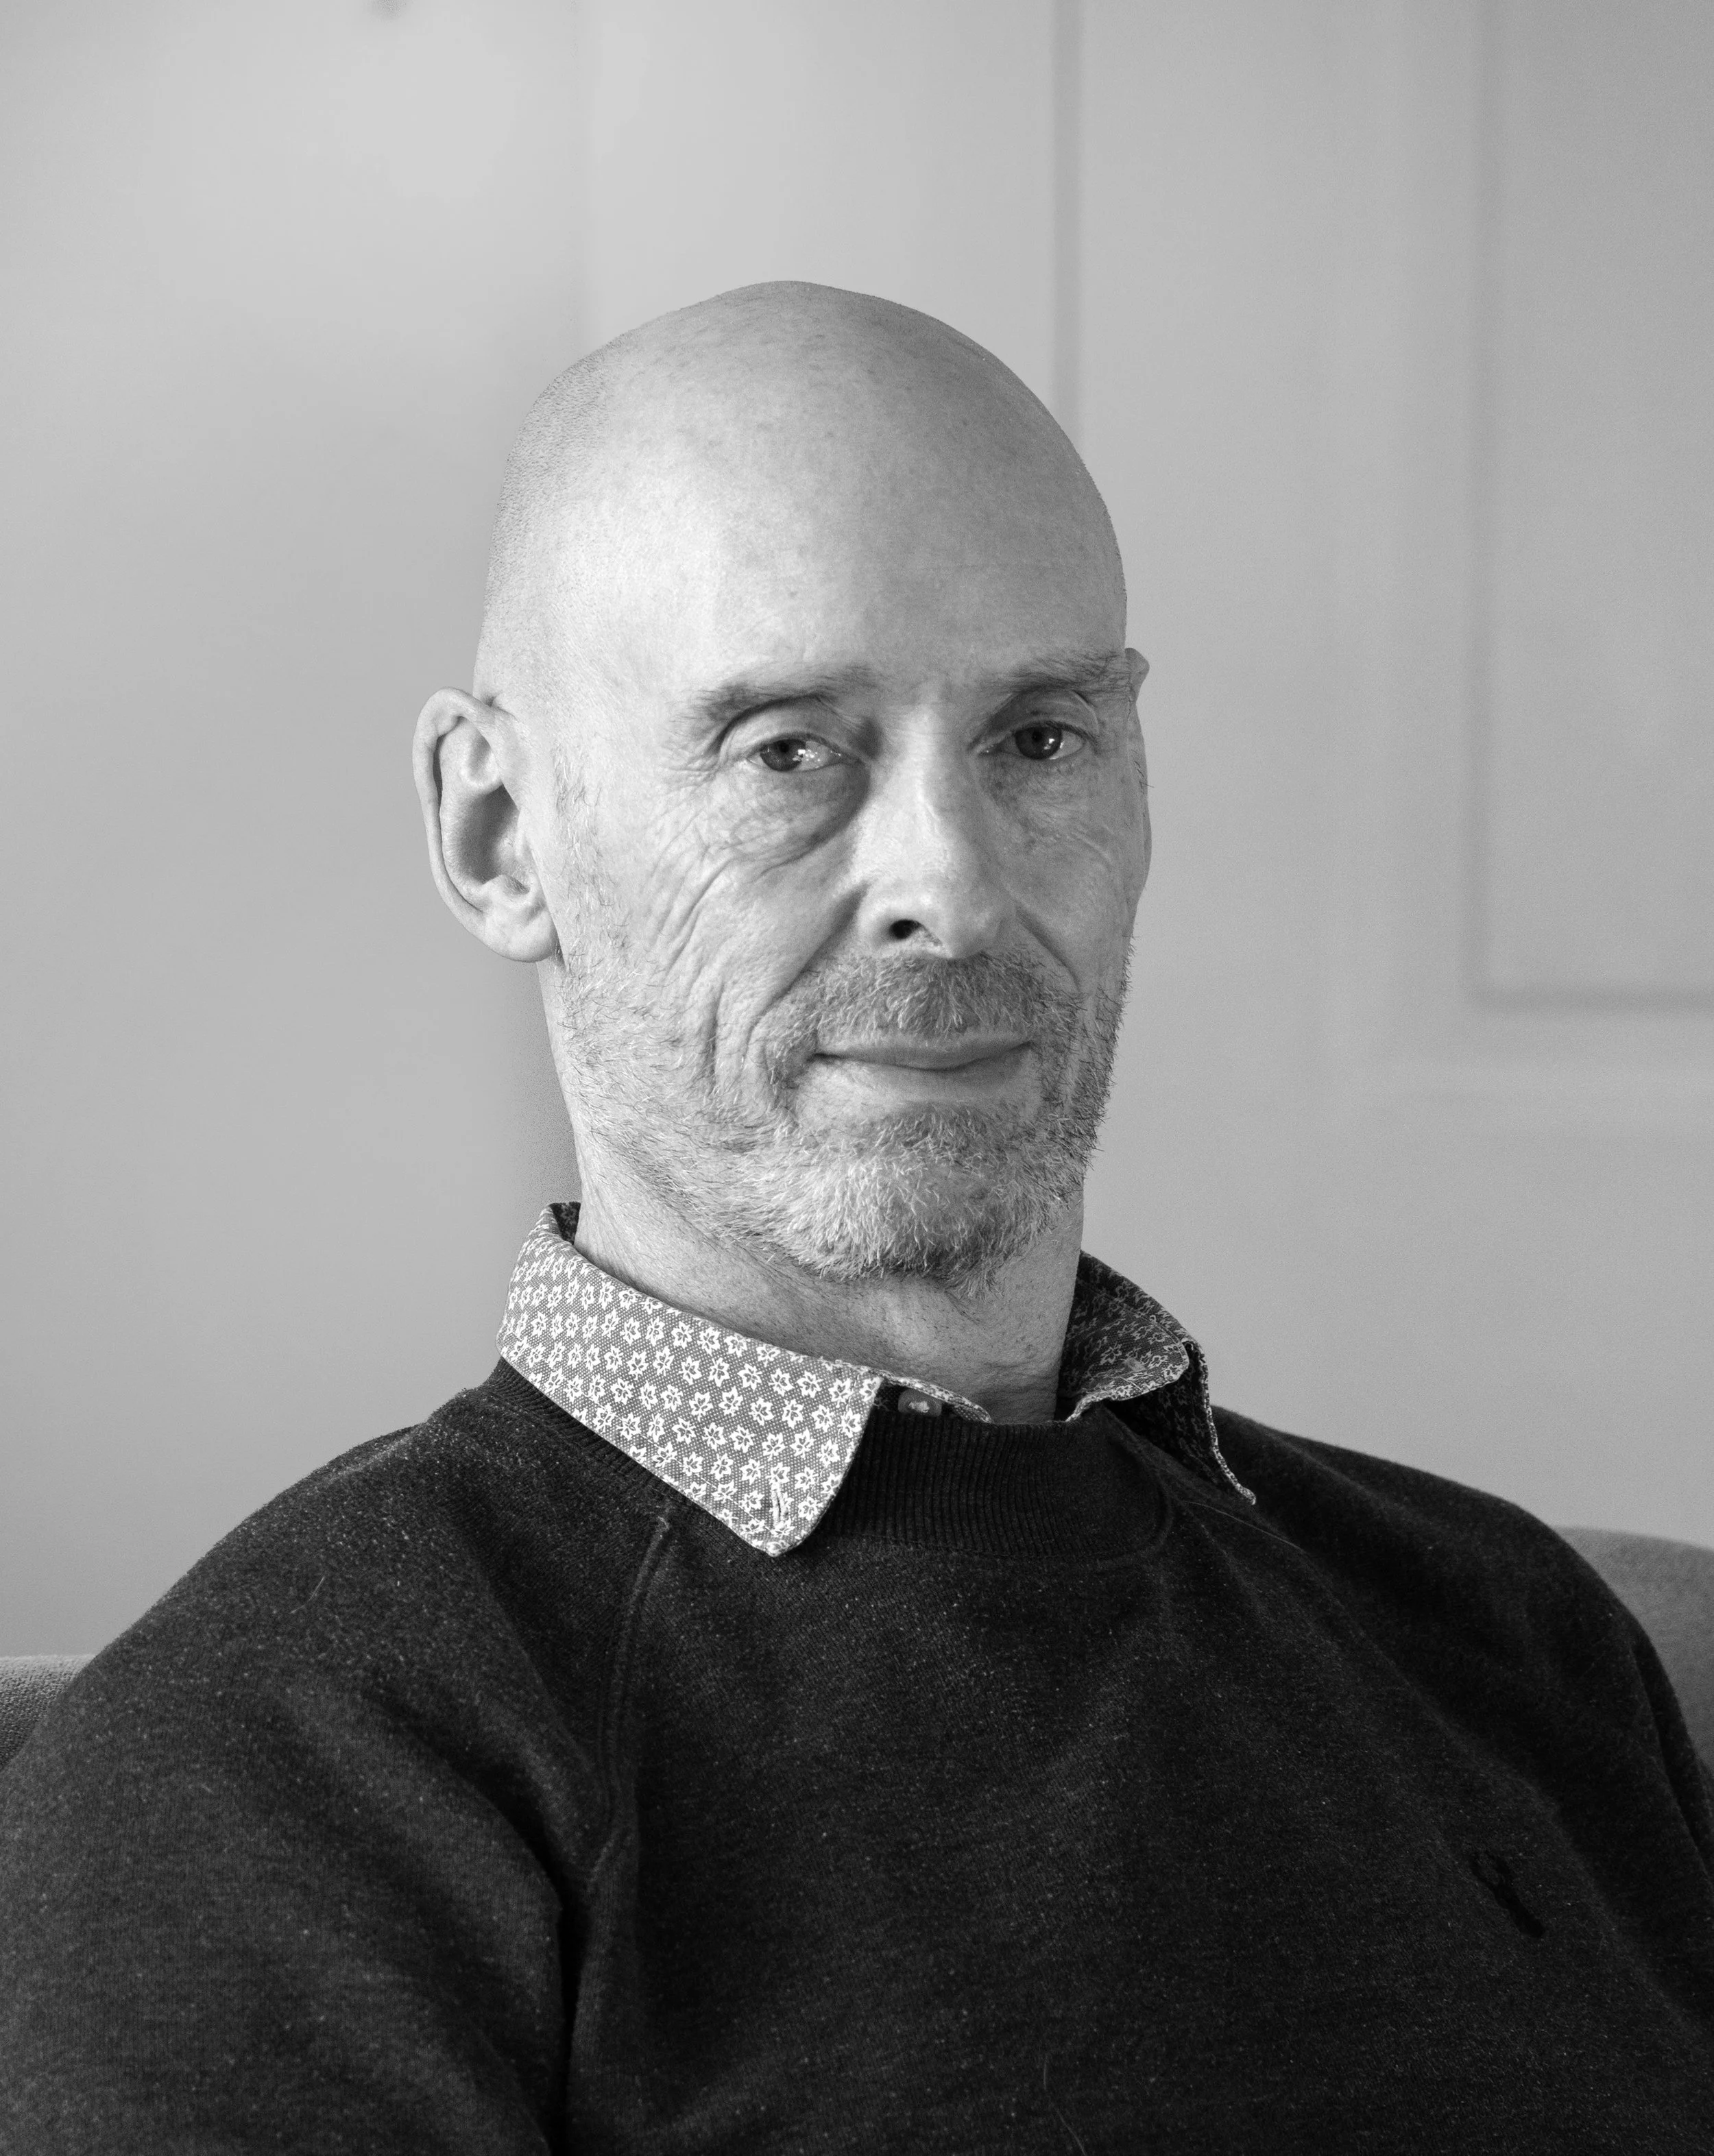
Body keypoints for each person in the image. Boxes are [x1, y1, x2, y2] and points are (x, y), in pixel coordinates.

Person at [1, 282, 1710, 2153]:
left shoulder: (1507, 1628)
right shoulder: (282, 1758)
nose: (951, 888)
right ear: (498, 834)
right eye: (787, 749)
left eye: (1041, 739)